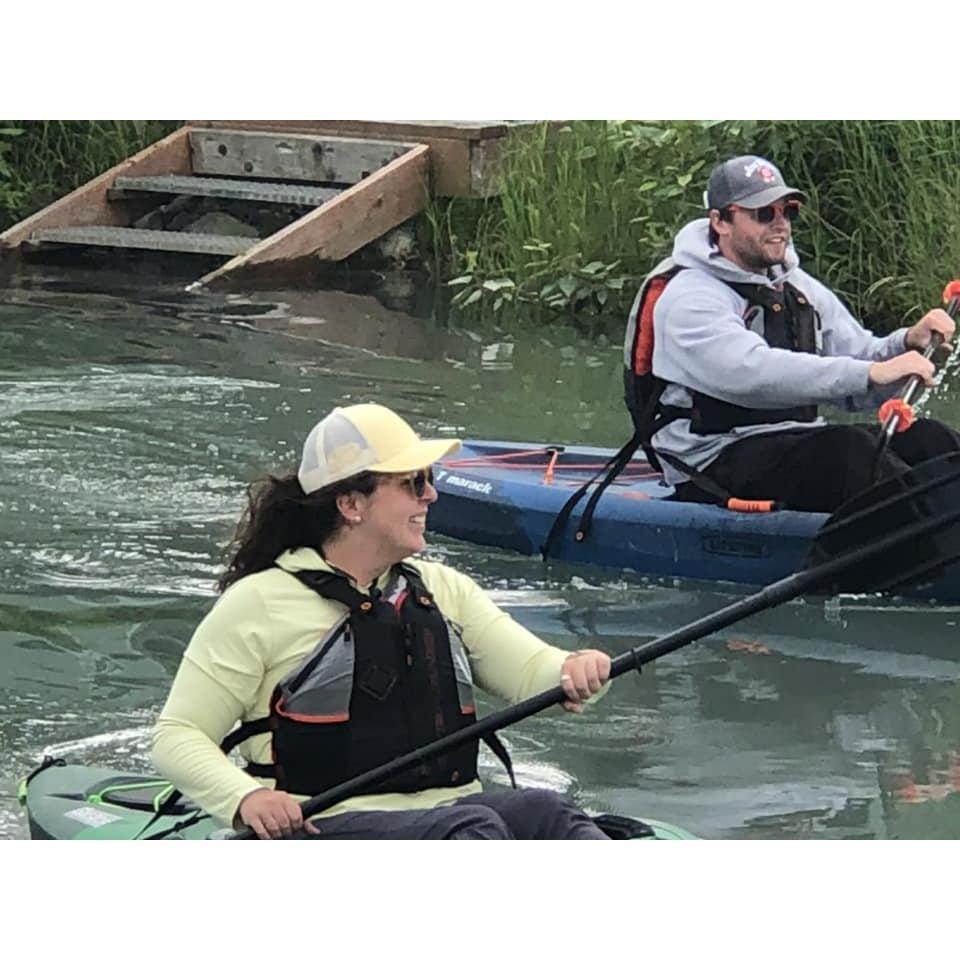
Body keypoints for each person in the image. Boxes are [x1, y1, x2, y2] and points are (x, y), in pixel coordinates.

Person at [152, 402, 613, 839]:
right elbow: (178, 735)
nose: (431, 494)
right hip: (322, 828)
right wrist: (245, 797)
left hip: (450, 816)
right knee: (471, 832)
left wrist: (576, 669)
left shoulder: (443, 590)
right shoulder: (258, 604)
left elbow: (534, 672)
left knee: (549, 814)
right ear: (352, 505)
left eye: (428, 479)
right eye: (413, 482)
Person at [636, 154, 960, 513]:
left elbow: (860, 364)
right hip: (709, 462)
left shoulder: (796, 285)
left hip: (792, 443)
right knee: (850, 453)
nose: (780, 224)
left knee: (928, 438)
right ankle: (931, 542)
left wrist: (905, 344)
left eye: (787, 211)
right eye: (763, 213)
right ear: (720, 221)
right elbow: (753, 374)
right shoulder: (689, 298)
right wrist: (867, 373)